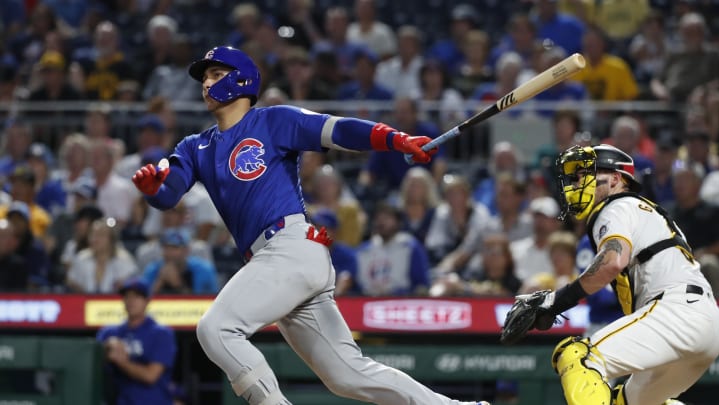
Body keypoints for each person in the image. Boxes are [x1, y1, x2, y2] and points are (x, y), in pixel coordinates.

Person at [131, 45, 489, 405]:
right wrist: (152, 190)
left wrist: (397, 139)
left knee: (216, 329)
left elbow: (339, 130)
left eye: (215, 74)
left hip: (289, 246)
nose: (206, 84)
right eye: (204, 77)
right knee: (347, 374)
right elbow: (168, 193)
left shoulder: (273, 121)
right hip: (275, 261)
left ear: (242, 79)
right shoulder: (196, 146)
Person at [528, 143, 719, 405]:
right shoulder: (645, 211)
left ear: (616, 179)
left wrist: (555, 302)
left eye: (587, 174)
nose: (579, 182)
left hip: (675, 311)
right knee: (627, 402)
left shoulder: (618, 205)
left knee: (578, 356)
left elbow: (612, 262)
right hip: (704, 322)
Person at [97, 278, 177, 405]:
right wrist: (107, 347)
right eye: (127, 296)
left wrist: (121, 362)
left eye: (137, 296)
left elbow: (150, 376)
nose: (131, 301)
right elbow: (92, 366)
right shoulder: (109, 333)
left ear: (147, 301)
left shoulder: (161, 333)